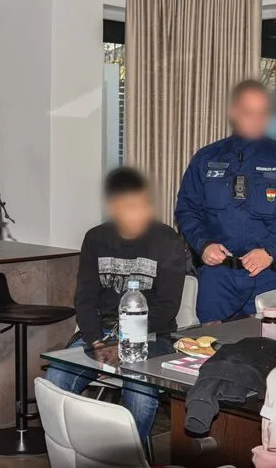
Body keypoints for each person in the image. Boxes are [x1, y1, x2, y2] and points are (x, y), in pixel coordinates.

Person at [45, 167, 186, 443]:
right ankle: (75, 452)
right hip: (101, 334)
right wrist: (97, 342)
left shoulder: (167, 240)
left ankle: (127, 457)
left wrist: (123, 344)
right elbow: (85, 299)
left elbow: (167, 307)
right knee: (55, 380)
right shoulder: (96, 238)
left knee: (140, 392)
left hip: (152, 336)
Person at [175, 80, 276, 323]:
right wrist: (204, 245)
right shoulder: (206, 159)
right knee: (210, 343)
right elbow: (187, 209)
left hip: (267, 275)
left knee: (269, 343)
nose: (256, 120)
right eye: (249, 113)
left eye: (263, 113)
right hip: (217, 277)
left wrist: (271, 251)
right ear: (233, 112)